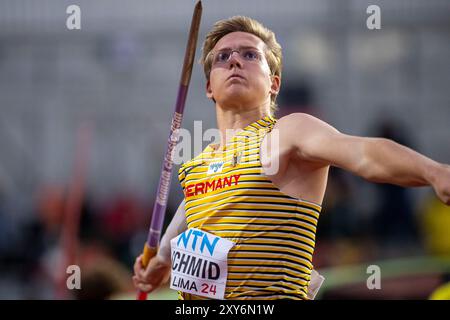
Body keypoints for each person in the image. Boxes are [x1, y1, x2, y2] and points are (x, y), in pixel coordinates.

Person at [133, 16, 450, 300]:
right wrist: (163, 257)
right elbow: (197, 204)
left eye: (249, 55)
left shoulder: (286, 134)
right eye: (222, 57)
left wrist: (433, 171)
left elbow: (364, 153)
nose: (234, 62)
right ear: (208, 88)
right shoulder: (200, 162)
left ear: (274, 84)